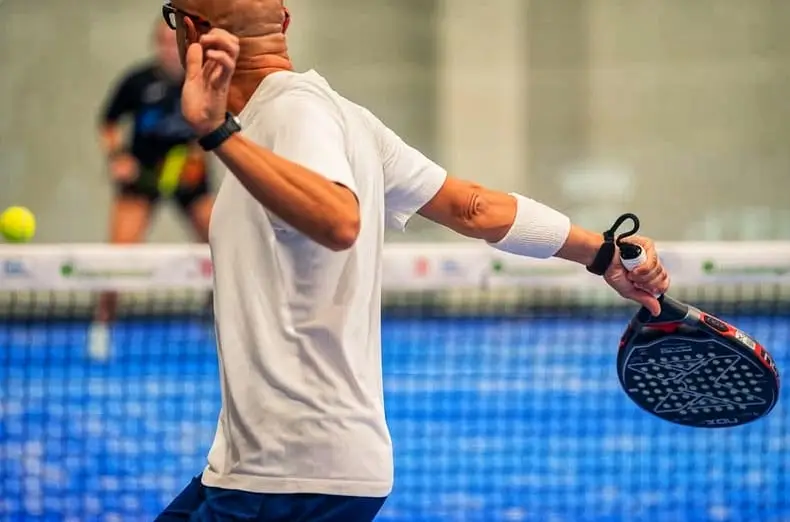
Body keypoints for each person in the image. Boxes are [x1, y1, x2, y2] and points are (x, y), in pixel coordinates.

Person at [155, 1, 671, 521]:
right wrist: (603, 253)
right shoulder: (344, 117)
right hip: (253, 466)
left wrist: (216, 131)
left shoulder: (293, 114)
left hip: (290, 474)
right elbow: (476, 209)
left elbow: (338, 220)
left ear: (192, 30)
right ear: (285, 23)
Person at [90, 20, 215, 356]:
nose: (167, 48)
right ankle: (102, 327)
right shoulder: (137, 81)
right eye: (160, 41)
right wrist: (118, 157)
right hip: (142, 177)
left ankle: (214, 317)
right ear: (154, 44)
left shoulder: (205, 80)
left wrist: (202, 152)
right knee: (118, 254)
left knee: (221, 242)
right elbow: (108, 123)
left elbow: (222, 124)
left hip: (189, 178)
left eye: (171, 41)